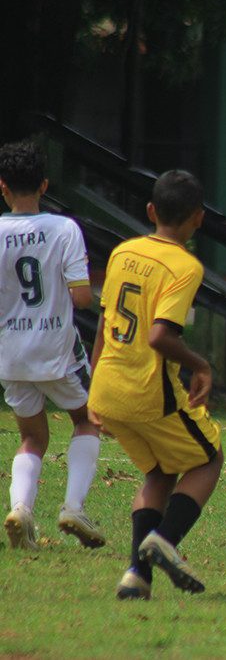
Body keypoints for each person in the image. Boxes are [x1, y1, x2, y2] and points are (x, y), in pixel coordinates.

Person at [89, 169, 223, 600]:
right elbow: (159, 336)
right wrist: (201, 365)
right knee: (209, 458)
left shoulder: (123, 252)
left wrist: (93, 388)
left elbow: (103, 323)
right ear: (199, 217)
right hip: (148, 394)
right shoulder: (185, 266)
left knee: (161, 471)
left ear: (150, 210)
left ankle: (136, 577)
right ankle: (165, 539)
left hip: (108, 388)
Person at [0, 140, 105, 551]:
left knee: (32, 438)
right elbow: (82, 298)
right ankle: (73, 507)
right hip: (57, 350)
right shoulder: (64, 229)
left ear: (2, 186)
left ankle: (20, 509)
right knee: (87, 420)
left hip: (11, 355)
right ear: (44, 184)